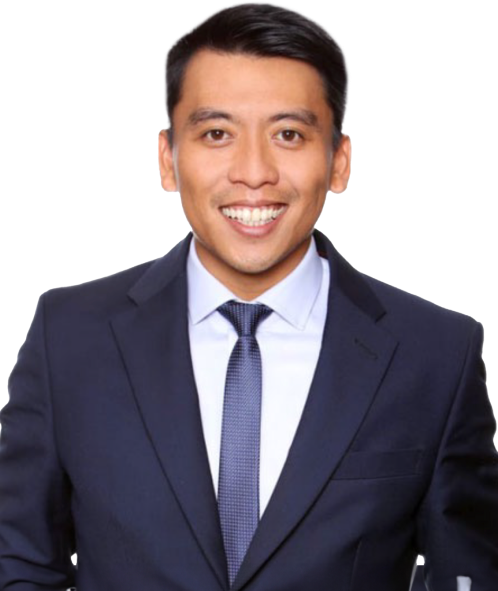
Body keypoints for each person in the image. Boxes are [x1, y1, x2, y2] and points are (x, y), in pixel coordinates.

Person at [1, 2, 496, 589]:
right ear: (167, 159)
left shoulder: (436, 354)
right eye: (217, 134)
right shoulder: (68, 336)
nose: (254, 171)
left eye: (289, 134)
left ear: (339, 161)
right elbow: (18, 563)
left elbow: (469, 575)